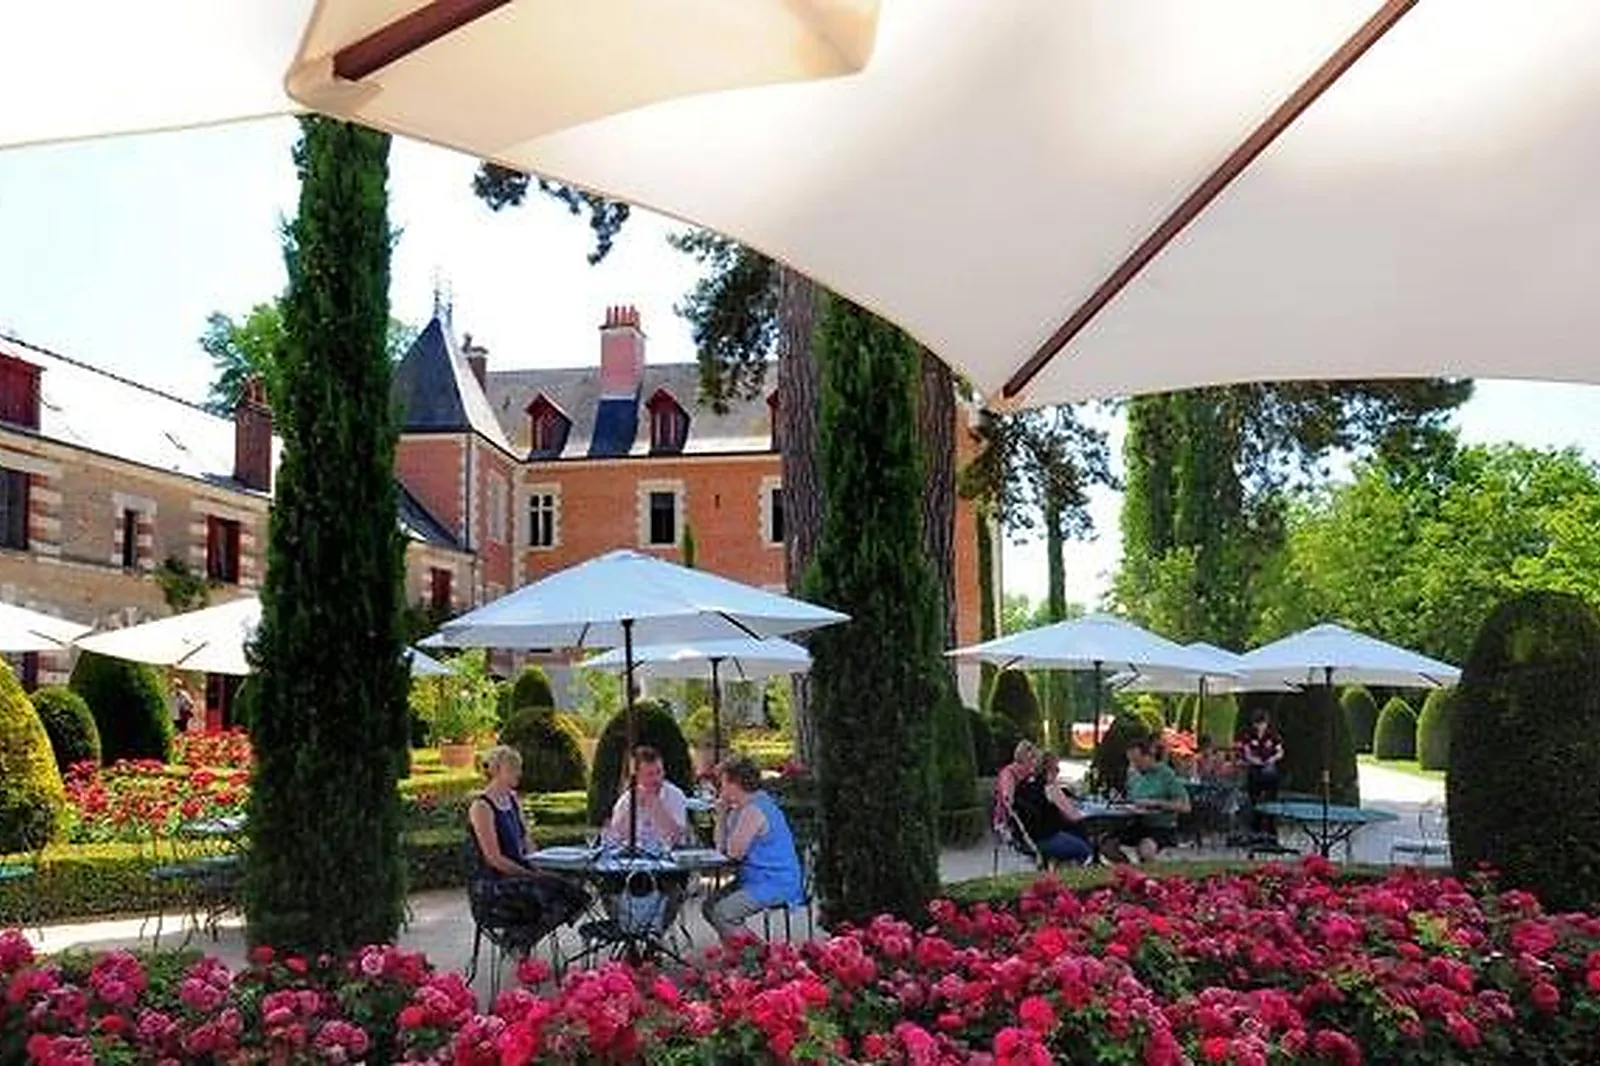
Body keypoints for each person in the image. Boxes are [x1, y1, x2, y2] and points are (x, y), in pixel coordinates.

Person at [466, 746, 589, 951]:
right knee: (556, 890)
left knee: (574, 885)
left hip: (520, 873)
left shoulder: (513, 799)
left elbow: (526, 840)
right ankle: (519, 941)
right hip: (495, 881)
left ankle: (520, 939)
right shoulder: (481, 806)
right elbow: (494, 859)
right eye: (513, 768)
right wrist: (531, 874)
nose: (519, 773)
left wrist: (539, 865)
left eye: (519, 768)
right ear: (496, 771)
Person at [703, 755, 804, 942]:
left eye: (723, 783)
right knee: (710, 906)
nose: (721, 789)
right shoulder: (741, 808)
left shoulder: (754, 809)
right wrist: (722, 815)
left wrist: (722, 813)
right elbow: (720, 847)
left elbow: (733, 853)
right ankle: (738, 954)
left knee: (723, 912)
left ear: (735, 784)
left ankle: (759, 956)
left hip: (775, 881)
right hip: (754, 878)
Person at [1114, 739, 1191, 862]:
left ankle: (1149, 874)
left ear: (1149, 757)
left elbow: (1185, 806)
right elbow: (1131, 799)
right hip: (1136, 823)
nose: (1135, 765)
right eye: (1132, 761)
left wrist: (1156, 803)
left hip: (1161, 827)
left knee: (1146, 848)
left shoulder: (1166, 775)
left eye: (1137, 761)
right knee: (1107, 843)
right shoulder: (1134, 776)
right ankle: (1128, 870)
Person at [1010, 752, 1094, 865]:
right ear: (1049, 770)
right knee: (1087, 850)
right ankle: (1073, 876)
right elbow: (1074, 816)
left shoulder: (1026, 785)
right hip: (1047, 839)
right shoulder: (1049, 787)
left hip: (1031, 839)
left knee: (1077, 834)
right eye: (1057, 768)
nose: (1058, 772)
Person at [604, 746, 689, 851]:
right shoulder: (627, 800)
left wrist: (654, 804)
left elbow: (676, 839)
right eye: (650, 774)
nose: (657, 779)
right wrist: (630, 809)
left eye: (659, 772)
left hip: (668, 859)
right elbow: (614, 838)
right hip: (636, 860)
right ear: (637, 776)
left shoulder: (675, 795)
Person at [1239, 710, 1284, 833]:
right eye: (1257, 723)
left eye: (1262, 723)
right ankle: (1256, 829)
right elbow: (1247, 752)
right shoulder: (1248, 736)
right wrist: (1255, 760)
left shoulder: (1273, 736)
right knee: (1255, 801)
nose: (1260, 726)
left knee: (1271, 800)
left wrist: (1272, 759)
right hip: (1255, 770)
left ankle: (1271, 829)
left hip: (1269, 770)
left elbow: (1280, 752)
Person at [993, 740, 1040, 831]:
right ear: (1021, 756)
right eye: (1031, 757)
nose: (1034, 762)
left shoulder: (1030, 773)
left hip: (1030, 818)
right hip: (1011, 822)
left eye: (1035, 758)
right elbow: (1008, 801)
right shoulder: (1009, 773)